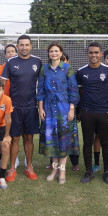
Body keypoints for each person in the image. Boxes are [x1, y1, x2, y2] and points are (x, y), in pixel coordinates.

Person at [1, 35, 42, 181]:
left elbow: (42, 83)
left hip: (31, 106)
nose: (24, 47)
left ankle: (29, 167)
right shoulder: (11, 62)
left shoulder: (37, 61)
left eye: (27, 45)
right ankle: (12, 168)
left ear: (31, 46)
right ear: (17, 46)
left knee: (29, 138)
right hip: (15, 107)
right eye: (21, 45)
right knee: (15, 138)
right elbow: (2, 84)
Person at [37, 42, 80, 185]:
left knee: (63, 141)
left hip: (64, 109)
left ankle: (62, 171)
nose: (54, 53)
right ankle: (54, 169)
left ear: (61, 53)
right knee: (52, 142)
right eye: (51, 51)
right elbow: (41, 90)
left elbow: (73, 90)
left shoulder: (67, 68)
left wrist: (72, 108)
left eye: (56, 51)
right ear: (48, 54)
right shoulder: (44, 69)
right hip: (48, 110)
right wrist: (41, 108)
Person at [76, 42, 108, 184]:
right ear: (87, 54)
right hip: (87, 112)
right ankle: (88, 171)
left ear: (100, 54)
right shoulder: (81, 71)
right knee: (88, 143)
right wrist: (80, 110)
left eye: (96, 52)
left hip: (104, 112)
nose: (93, 55)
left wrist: (101, 98)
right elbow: (80, 91)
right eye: (91, 52)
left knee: (106, 143)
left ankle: (107, 172)